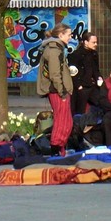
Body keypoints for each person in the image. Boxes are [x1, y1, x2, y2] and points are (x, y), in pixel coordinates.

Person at [36, 23, 74, 156]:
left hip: (58, 89)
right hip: (57, 90)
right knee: (62, 121)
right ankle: (56, 149)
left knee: (66, 121)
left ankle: (59, 149)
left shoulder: (56, 48)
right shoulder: (54, 50)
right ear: (61, 35)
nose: (71, 37)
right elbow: (55, 74)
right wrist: (62, 91)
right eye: (69, 34)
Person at [68, 31, 101, 115]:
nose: (96, 44)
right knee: (79, 111)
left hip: (92, 85)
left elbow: (96, 70)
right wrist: (79, 86)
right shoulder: (76, 55)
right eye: (93, 42)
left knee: (100, 103)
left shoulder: (94, 54)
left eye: (96, 42)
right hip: (80, 87)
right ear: (86, 42)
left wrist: (99, 79)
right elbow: (72, 73)